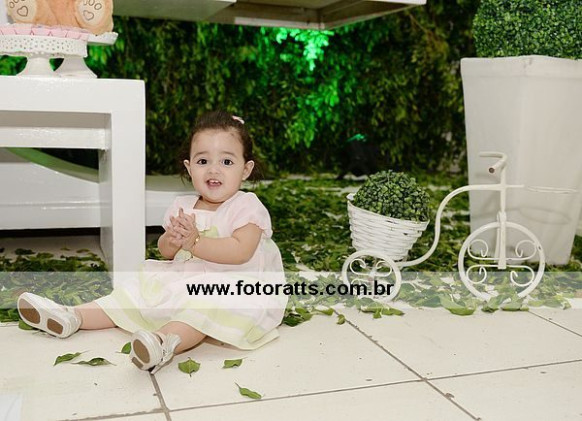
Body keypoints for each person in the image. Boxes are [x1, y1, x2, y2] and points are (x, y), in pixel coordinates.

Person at [17, 110, 287, 374]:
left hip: (233, 284)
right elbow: (166, 251)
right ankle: (72, 316)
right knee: (134, 293)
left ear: (245, 169)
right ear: (189, 167)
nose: (213, 170)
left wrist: (195, 242)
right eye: (203, 161)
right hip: (187, 277)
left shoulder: (246, 206)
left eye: (226, 162)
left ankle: (162, 342)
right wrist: (173, 240)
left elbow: (241, 251)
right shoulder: (182, 206)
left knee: (202, 307)